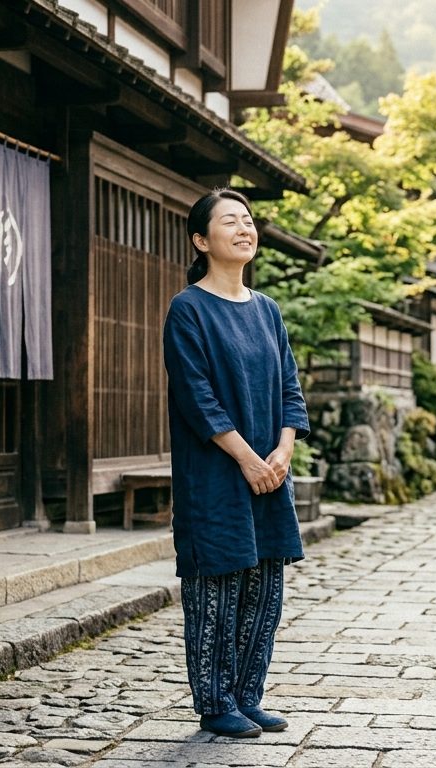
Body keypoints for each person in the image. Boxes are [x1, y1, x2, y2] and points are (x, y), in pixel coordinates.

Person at [163, 189, 310, 739]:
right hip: (217, 474)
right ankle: (215, 701)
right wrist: (248, 459)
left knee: (264, 587)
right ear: (202, 241)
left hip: (271, 469)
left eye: (248, 221)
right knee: (217, 588)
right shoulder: (188, 310)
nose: (244, 229)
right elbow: (197, 397)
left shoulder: (268, 310)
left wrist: (283, 450)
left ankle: (249, 694)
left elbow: (291, 388)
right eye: (231, 221)